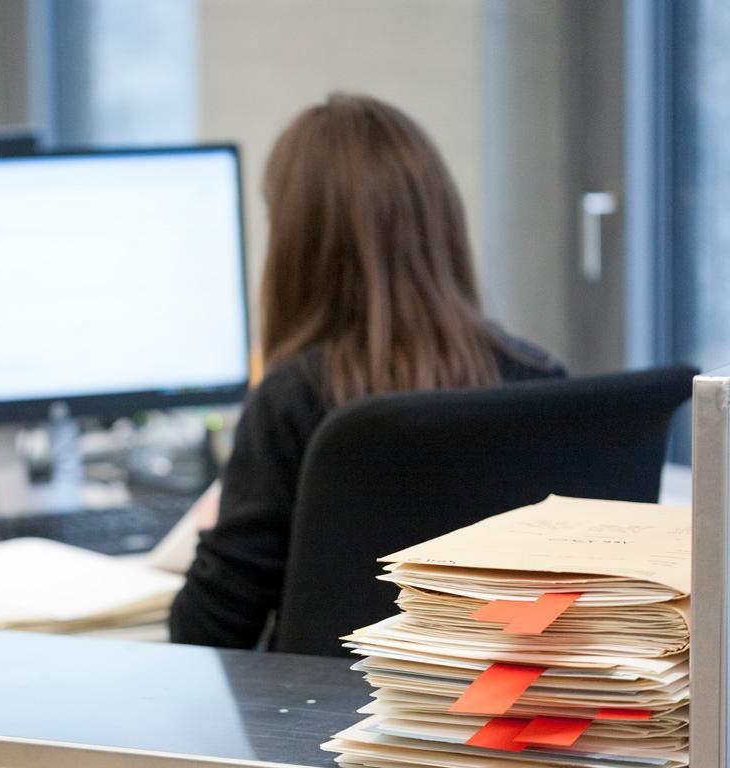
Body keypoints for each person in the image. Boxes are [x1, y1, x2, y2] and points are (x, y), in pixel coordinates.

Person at [168, 93, 566, 649]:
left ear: (297, 243)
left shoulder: (294, 401)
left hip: (328, 731)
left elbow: (207, 634)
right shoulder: (541, 383)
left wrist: (218, 532)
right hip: (504, 717)